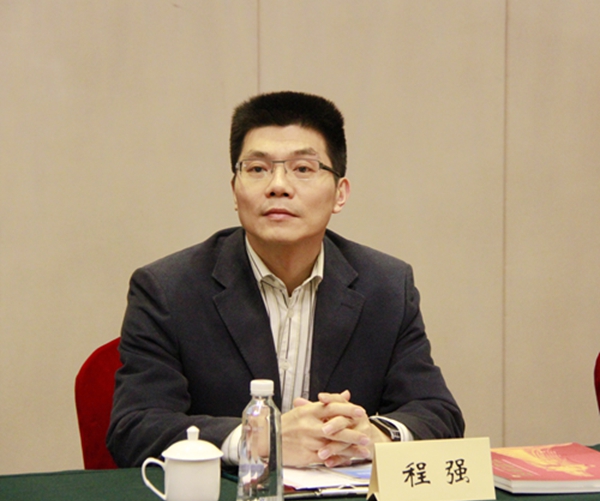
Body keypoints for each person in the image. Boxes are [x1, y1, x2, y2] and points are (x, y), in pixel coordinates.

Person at [107, 91, 464, 468]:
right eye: (257, 169)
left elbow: (438, 413)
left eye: (303, 169)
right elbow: (135, 427)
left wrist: (375, 435)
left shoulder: (386, 287)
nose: (278, 185)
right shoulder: (167, 289)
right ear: (235, 190)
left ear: (339, 194)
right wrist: (260, 438)